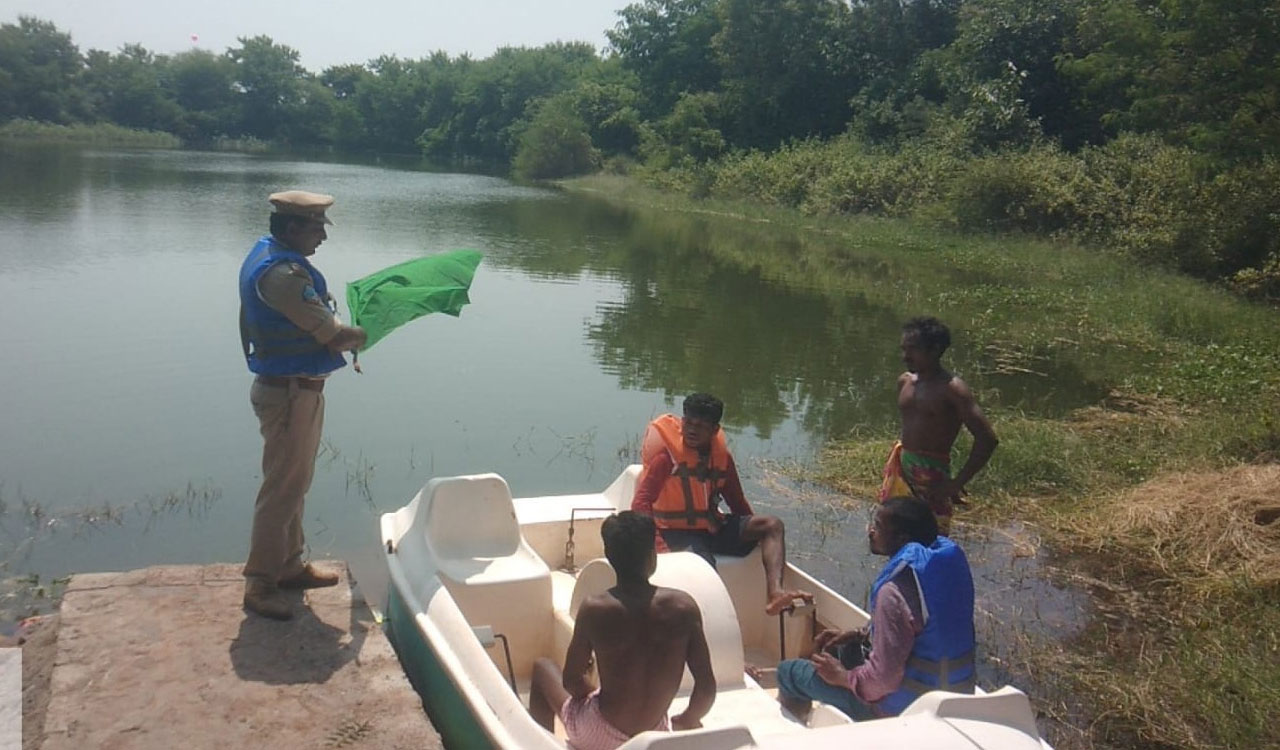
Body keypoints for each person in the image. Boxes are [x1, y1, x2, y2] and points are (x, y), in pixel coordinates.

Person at [238, 190, 367, 621]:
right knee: (281, 489)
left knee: (293, 483)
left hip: (295, 390)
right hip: (289, 394)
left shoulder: (268, 254)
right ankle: (260, 582)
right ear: (292, 228)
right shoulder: (283, 276)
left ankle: (289, 565)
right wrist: (370, 330)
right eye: (316, 228)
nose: (322, 238)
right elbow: (333, 335)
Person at [774, 496, 976, 720]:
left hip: (899, 712)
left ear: (902, 538)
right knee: (843, 647)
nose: (870, 530)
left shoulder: (893, 593)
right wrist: (861, 634)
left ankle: (801, 729)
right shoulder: (942, 571)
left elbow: (882, 682)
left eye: (878, 526)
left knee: (788, 672)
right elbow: (924, 629)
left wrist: (842, 677)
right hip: (955, 699)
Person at [529, 511, 715, 750]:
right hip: (652, 735)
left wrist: (593, 693)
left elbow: (572, 681)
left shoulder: (595, 608)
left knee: (543, 668)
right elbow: (706, 689)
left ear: (609, 555)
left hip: (598, 735)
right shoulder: (683, 607)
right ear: (652, 556)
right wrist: (688, 718)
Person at [632, 393, 811, 616]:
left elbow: (737, 502)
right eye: (688, 423)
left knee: (772, 525)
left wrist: (750, 533)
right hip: (674, 533)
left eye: (701, 426)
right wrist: (656, 544)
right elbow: (641, 502)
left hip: (711, 529)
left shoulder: (721, 457)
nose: (692, 430)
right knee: (705, 569)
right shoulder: (667, 458)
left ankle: (775, 593)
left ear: (715, 430)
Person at [881, 317, 998, 535]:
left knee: (930, 538)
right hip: (902, 466)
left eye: (913, 349)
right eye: (903, 349)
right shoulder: (905, 381)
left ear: (935, 349)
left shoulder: (952, 389)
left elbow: (987, 439)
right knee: (893, 534)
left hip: (931, 476)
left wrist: (955, 484)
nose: (905, 356)